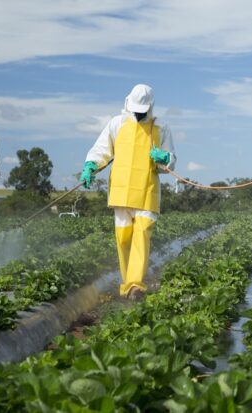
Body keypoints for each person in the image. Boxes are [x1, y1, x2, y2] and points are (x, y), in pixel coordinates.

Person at [80, 84, 176, 299]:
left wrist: (165, 158)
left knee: (141, 234)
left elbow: (170, 161)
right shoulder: (117, 123)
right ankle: (127, 286)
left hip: (146, 190)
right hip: (121, 191)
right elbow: (101, 150)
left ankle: (135, 286)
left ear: (150, 107)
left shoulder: (161, 128)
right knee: (123, 239)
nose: (139, 113)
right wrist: (90, 167)